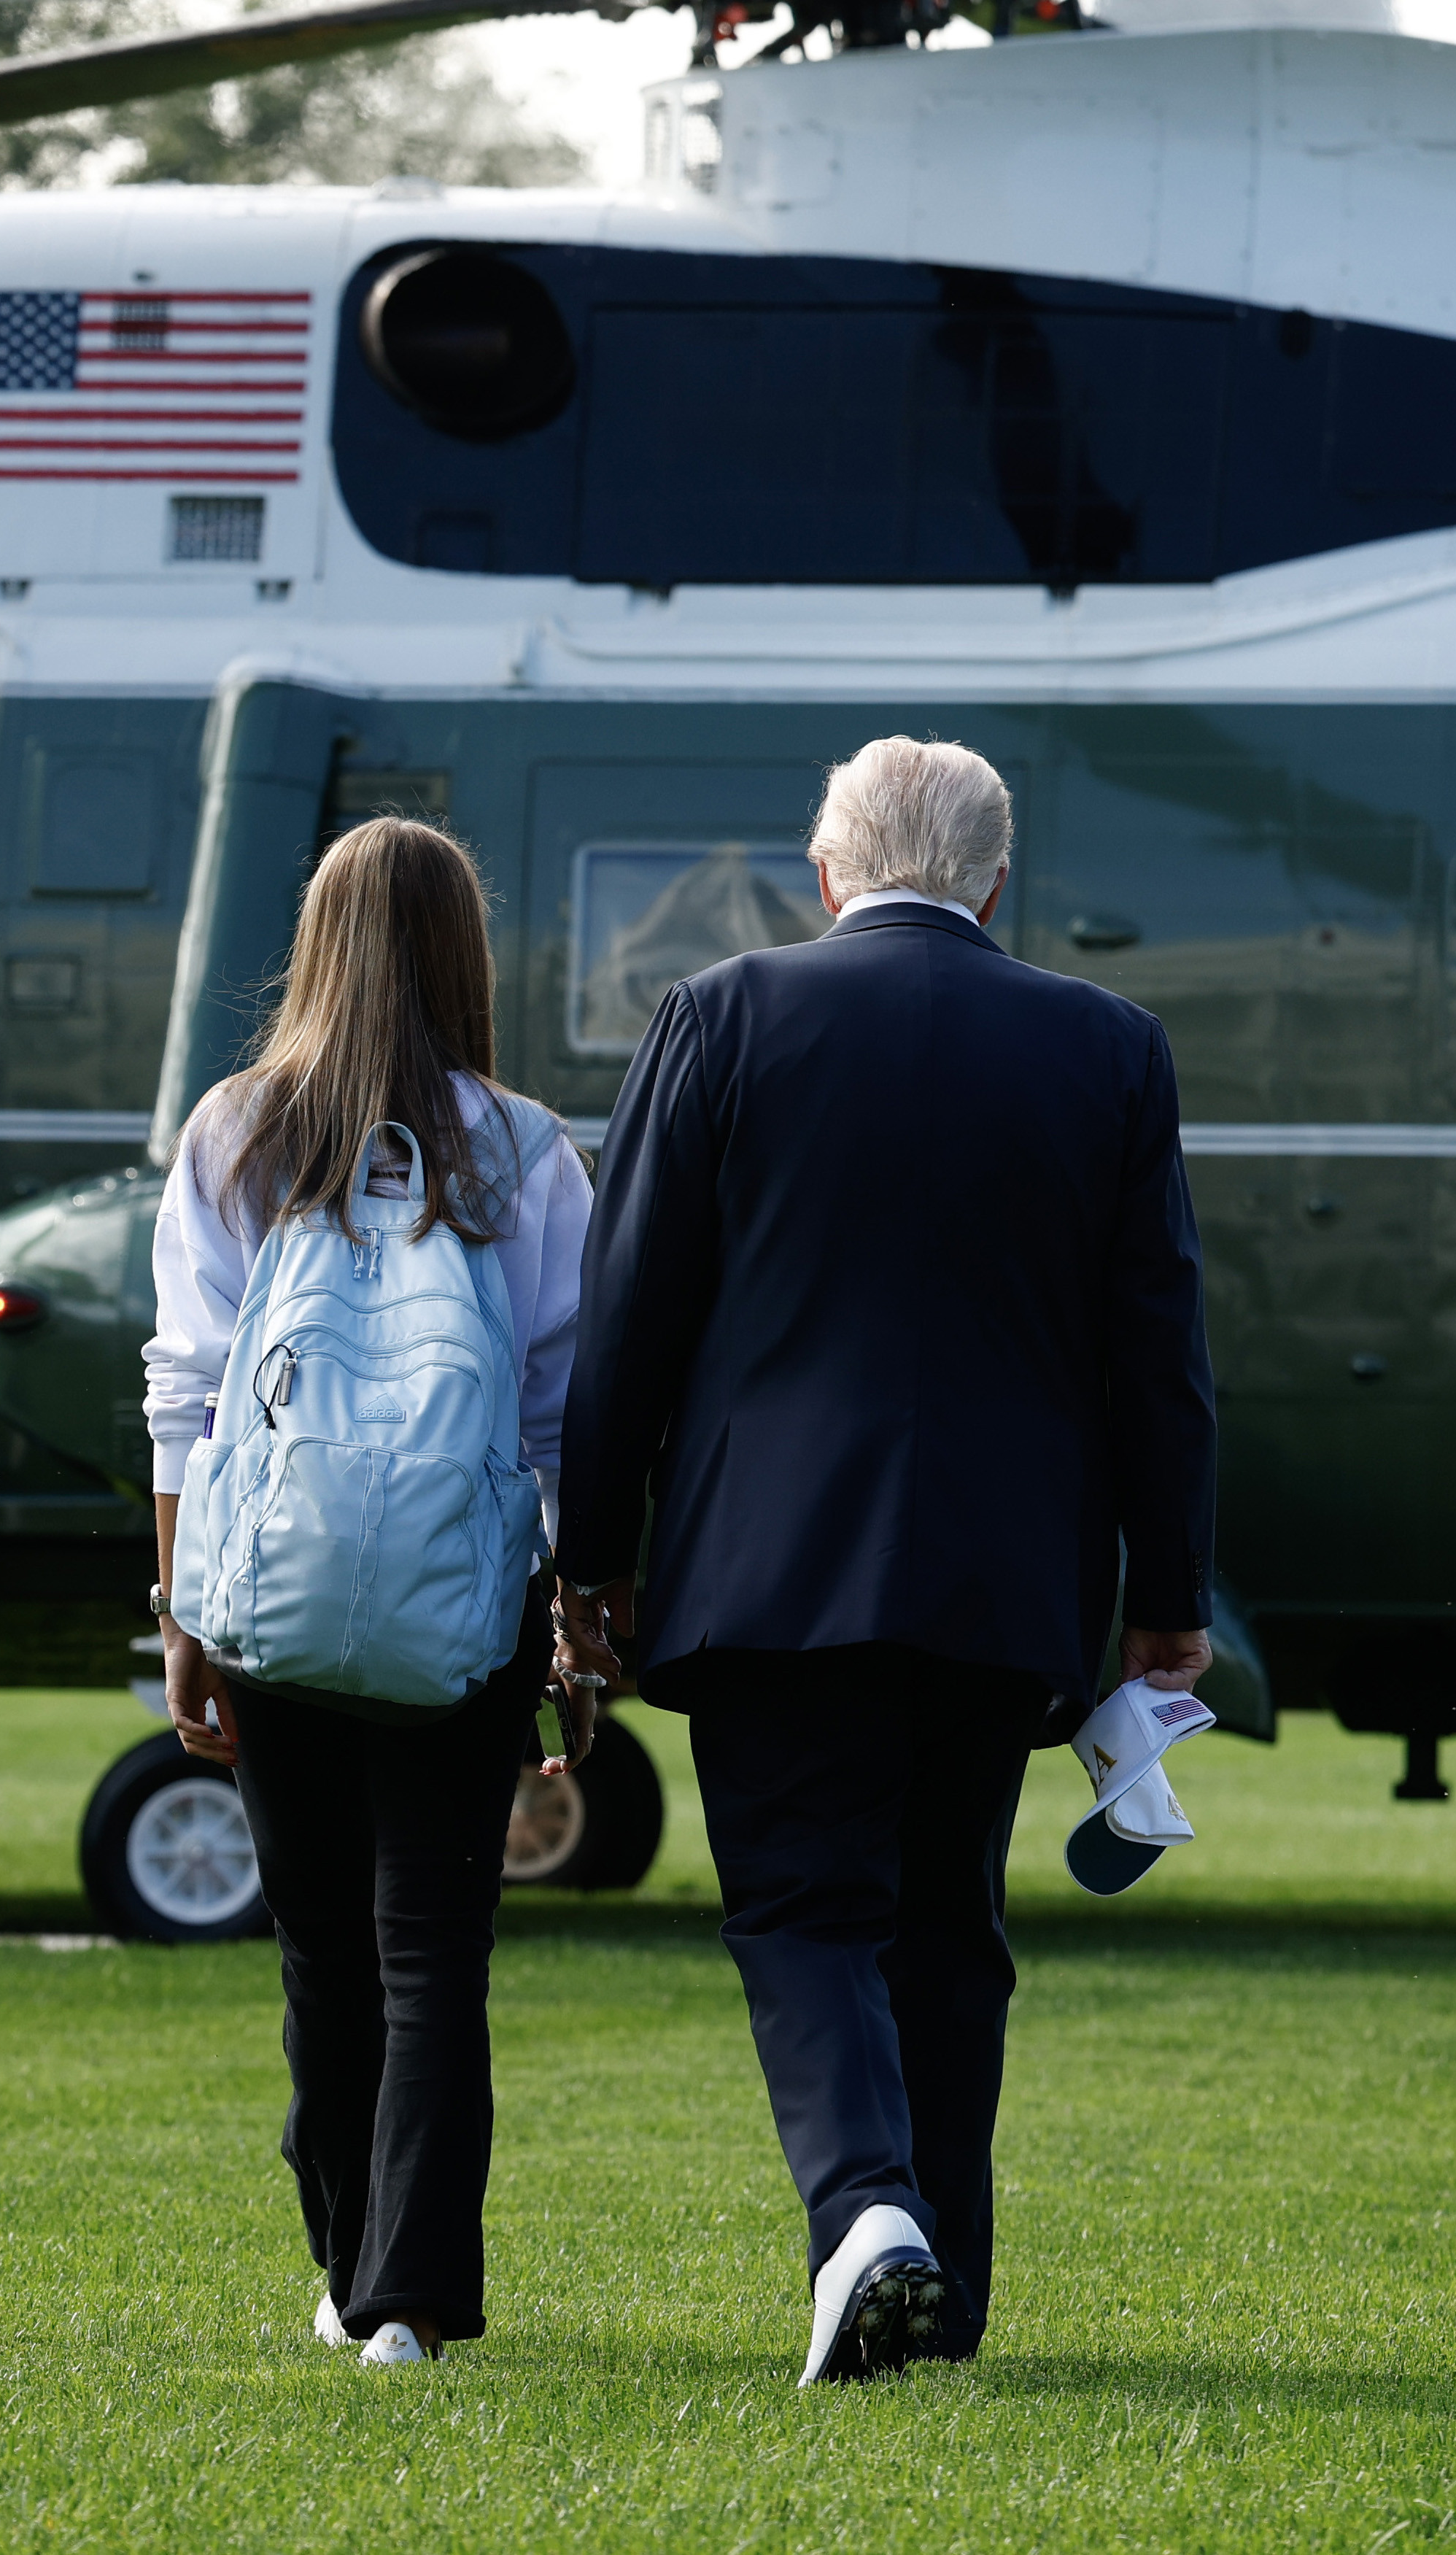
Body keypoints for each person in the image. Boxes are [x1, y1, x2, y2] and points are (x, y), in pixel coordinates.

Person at [552, 735, 1217, 2386]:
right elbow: (1160, 1353)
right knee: (945, 1923)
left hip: (765, 1566)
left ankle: (865, 2212)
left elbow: (627, 1325)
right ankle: (945, 2291)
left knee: (800, 1907)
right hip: (1002, 1577)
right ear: (998, 883)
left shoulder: (718, 1017)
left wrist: (588, 1557)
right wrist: (1168, 1596)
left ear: (825, 869)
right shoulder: (1109, 1049)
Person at [142, 817, 595, 2370]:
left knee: (320, 1951)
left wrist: (179, 1613)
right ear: (466, 952)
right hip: (458, 1605)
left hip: (270, 1589)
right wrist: (565, 1627)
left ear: (315, 941)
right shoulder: (525, 1150)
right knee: (429, 1953)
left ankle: (345, 2256)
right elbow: (554, 1419)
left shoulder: (232, 1133)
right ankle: (406, 2291)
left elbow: (187, 1393)